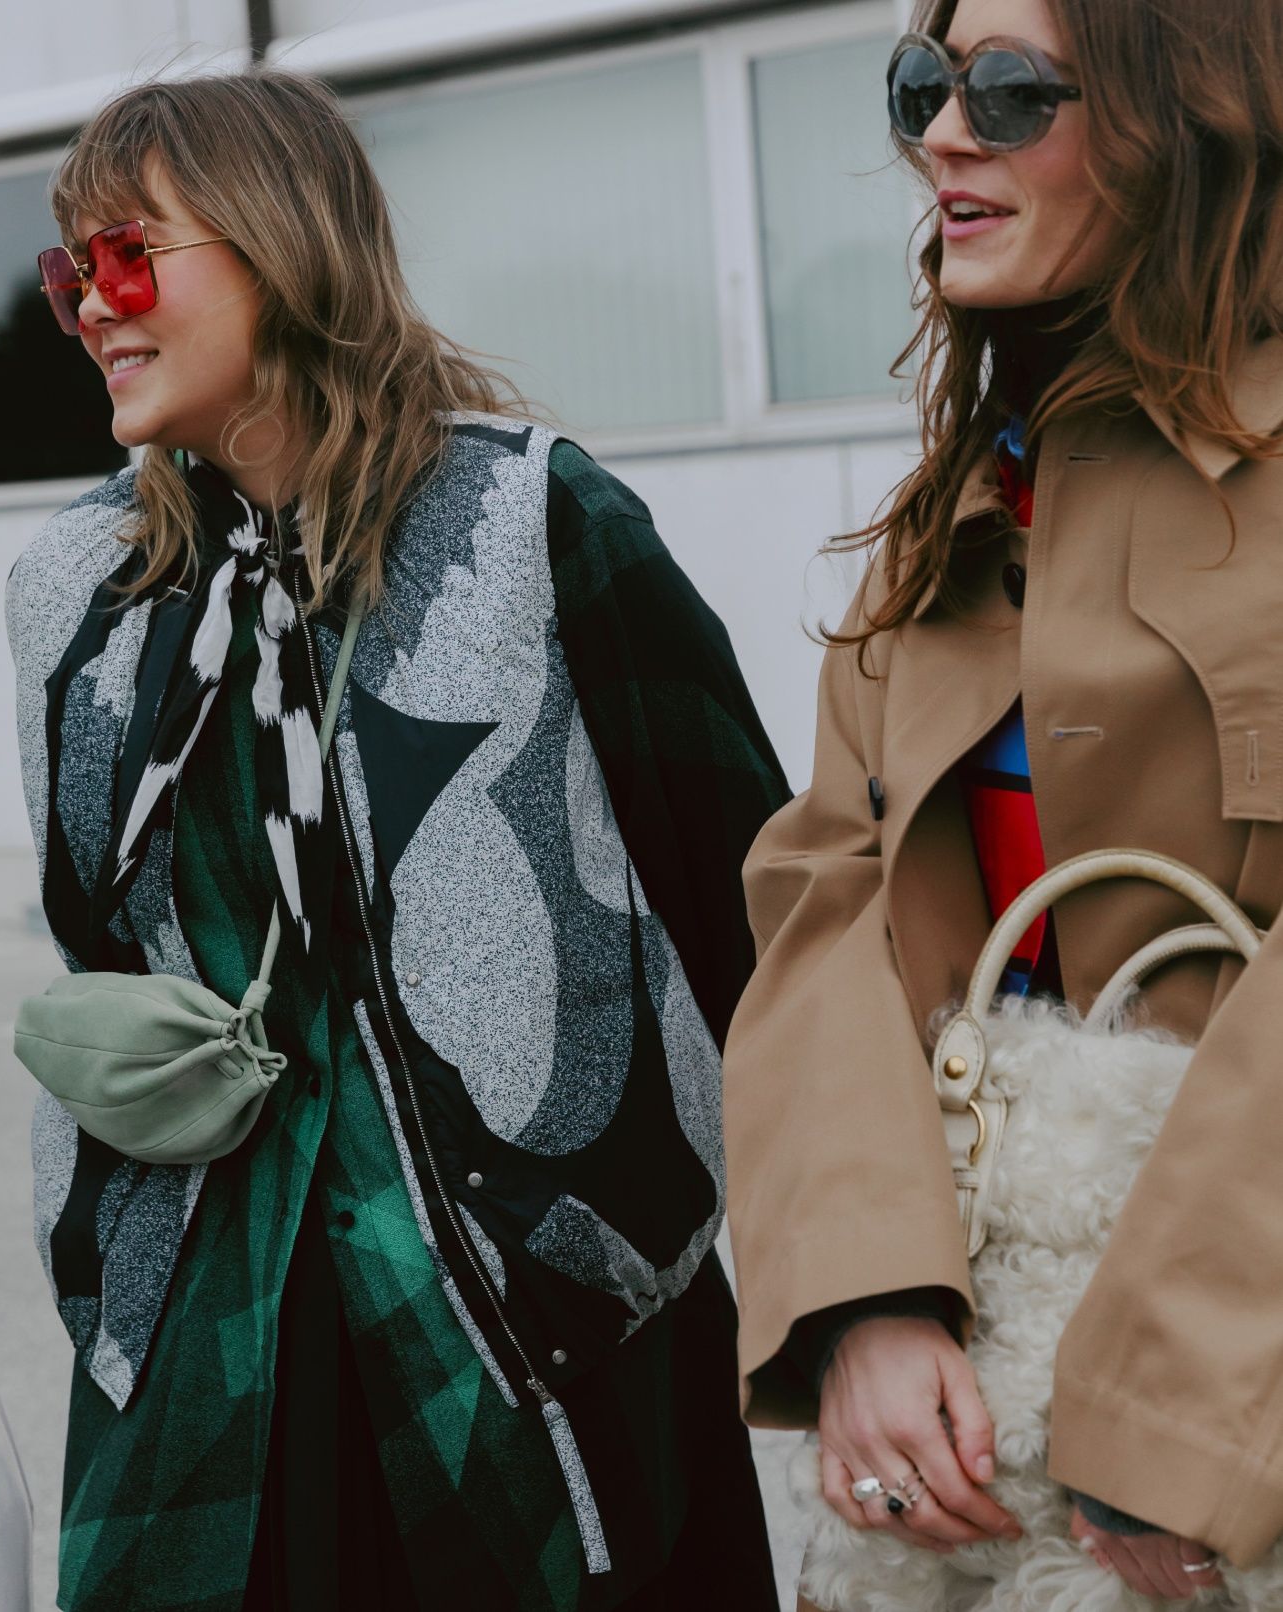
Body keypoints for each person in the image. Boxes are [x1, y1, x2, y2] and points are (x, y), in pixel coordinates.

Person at [6, 68, 787, 1612]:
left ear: (281, 244)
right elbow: (99, 944)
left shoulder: (534, 522)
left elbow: (762, 919)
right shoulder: (73, 591)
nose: (91, 305)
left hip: (537, 1329)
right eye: (65, 270)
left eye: (129, 257)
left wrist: (856, 1289)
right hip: (209, 1331)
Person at [724, 0, 1283, 1602]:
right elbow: (825, 903)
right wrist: (868, 1303)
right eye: (925, 85)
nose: (944, 137)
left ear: (1193, 117)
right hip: (967, 1438)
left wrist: (1175, 1415)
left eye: (1014, 93)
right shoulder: (954, 510)